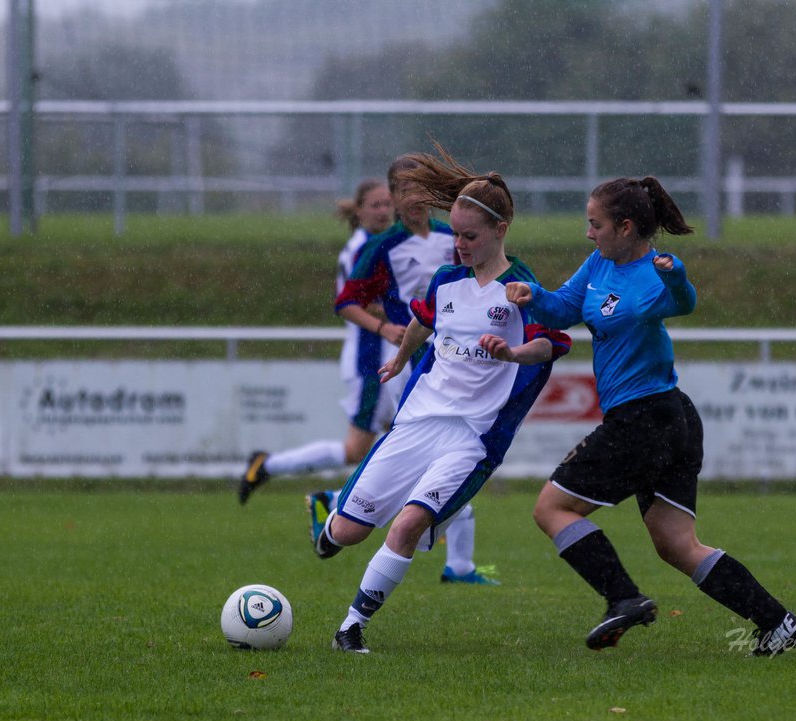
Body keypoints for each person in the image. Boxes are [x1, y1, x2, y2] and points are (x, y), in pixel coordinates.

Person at [506, 176, 796, 657]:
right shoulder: (599, 263)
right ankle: (778, 622)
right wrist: (530, 294)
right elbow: (563, 309)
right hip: (668, 416)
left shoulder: (654, 275)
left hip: (645, 418)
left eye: (595, 224)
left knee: (551, 509)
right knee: (676, 543)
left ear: (625, 227)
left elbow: (684, 301)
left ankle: (623, 597)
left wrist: (675, 274)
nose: (589, 233)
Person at [313, 148, 572, 653]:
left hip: (472, 437)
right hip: (416, 421)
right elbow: (423, 319)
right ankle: (330, 521)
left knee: (409, 523)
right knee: (346, 533)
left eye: (470, 236)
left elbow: (551, 344)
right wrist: (400, 357)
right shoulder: (447, 280)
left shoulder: (521, 288)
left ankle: (351, 627)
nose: (459, 244)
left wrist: (514, 353)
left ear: (501, 229)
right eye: (454, 233)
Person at [239, 159, 498, 585]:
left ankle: (456, 563)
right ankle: (448, 560)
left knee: (436, 456)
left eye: (421, 190)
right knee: (428, 455)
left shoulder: (455, 238)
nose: (413, 200)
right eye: (402, 193)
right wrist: (386, 326)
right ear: (395, 198)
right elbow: (346, 301)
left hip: (457, 363)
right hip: (412, 370)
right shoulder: (380, 248)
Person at [237, 177, 393, 501]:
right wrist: (414, 311)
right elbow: (359, 304)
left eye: (388, 204)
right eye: (375, 205)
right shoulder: (363, 249)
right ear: (360, 211)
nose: (383, 211)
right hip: (371, 362)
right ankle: (279, 472)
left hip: (386, 358)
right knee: (359, 450)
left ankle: (428, 520)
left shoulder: (384, 245)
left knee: (411, 440)